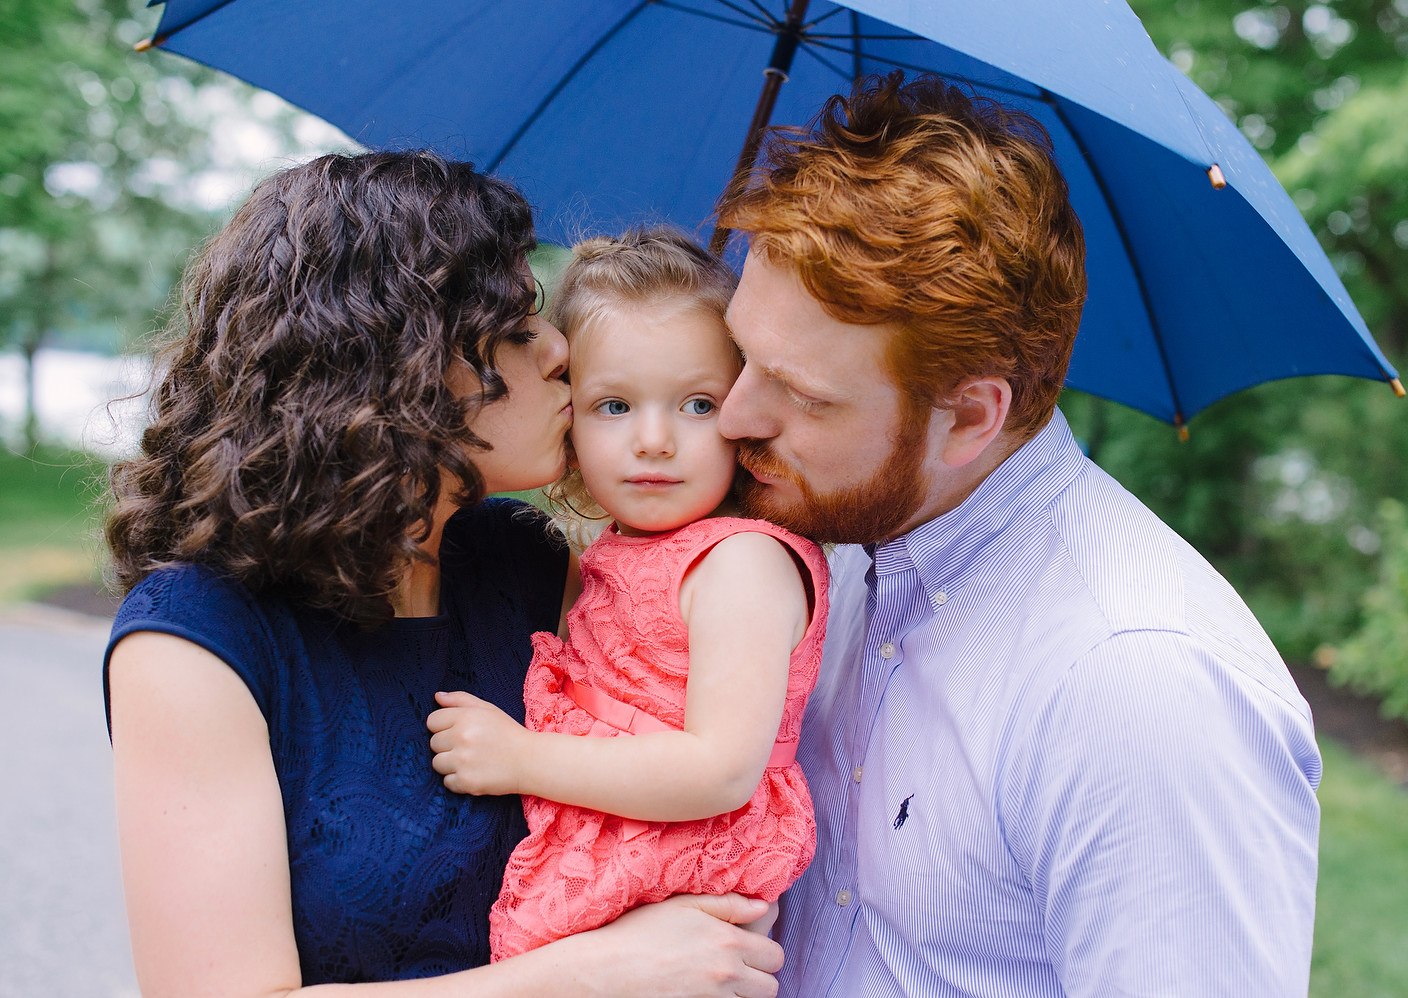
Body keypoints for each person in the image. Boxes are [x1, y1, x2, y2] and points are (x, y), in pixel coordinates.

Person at [103, 152, 782, 997]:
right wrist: (592, 974)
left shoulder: (528, 561)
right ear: (400, 363)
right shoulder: (197, 639)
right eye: (516, 325)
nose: (562, 350)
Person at [713, 72, 1322, 997]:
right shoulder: (833, 545)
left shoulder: (1137, 687)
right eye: (740, 355)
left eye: (801, 394)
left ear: (968, 418)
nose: (732, 416)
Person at [421, 228, 826, 960]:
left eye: (697, 405)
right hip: (616, 854)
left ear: (744, 410)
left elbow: (721, 769)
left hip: (679, 866)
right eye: (614, 406)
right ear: (568, 413)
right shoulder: (612, 553)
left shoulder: (740, 564)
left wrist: (520, 757)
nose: (654, 440)